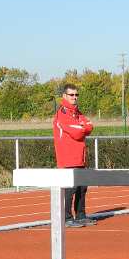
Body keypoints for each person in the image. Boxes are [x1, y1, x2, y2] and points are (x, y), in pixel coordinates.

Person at [52, 83, 96, 227]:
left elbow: (89, 126)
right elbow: (77, 133)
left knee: (82, 187)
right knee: (70, 189)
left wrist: (83, 127)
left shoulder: (77, 113)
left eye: (76, 95)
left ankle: (81, 215)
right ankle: (66, 218)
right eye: (71, 95)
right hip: (67, 159)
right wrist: (83, 127)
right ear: (64, 96)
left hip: (80, 157)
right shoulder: (62, 114)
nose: (75, 97)